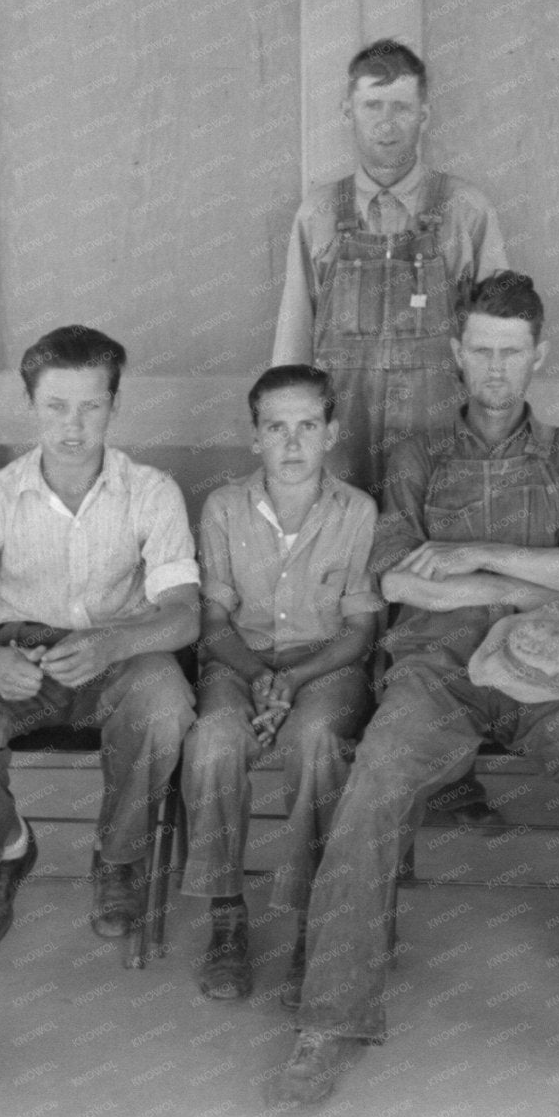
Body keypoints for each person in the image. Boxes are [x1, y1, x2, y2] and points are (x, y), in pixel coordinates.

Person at [265, 272, 559, 1117]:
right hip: (437, 666)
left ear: (539, 354)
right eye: (481, 350)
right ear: (456, 353)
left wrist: (472, 556)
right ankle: (329, 1019)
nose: (496, 368)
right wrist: (523, 578)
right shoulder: (418, 456)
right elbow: (400, 580)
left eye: (512, 352)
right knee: (374, 785)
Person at [272, 38, 511, 832]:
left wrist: (490, 448)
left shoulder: (466, 211)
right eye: (372, 106)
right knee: (347, 590)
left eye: (401, 107)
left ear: (425, 114)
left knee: (436, 597)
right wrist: (293, 452)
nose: (386, 123)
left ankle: (445, 772)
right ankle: (346, 767)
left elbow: (499, 340)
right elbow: (291, 350)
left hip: (440, 448)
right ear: (348, 110)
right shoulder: (318, 215)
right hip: (344, 445)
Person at [0, 326, 199, 955]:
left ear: (115, 405)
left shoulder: (152, 492)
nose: (73, 425)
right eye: (56, 406)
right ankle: (3, 850)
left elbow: (184, 618)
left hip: (117, 655)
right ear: (30, 405)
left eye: (91, 405)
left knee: (164, 701)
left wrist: (112, 646)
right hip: (18, 658)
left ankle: (118, 858)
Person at [180, 365, 383, 1004]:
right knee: (213, 741)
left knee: (316, 741)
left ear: (331, 433)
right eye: (276, 428)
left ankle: (309, 922)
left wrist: (293, 680)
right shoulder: (223, 508)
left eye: (307, 426)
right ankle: (227, 916)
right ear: (255, 437)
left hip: (326, 664)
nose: (292, 444)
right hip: (239, 660)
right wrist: (259, 677)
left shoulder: (357, 511)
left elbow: (360, 631)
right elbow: (214, 623)